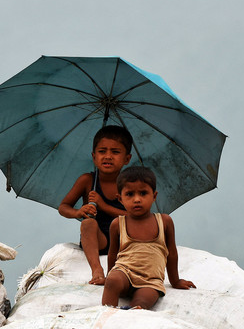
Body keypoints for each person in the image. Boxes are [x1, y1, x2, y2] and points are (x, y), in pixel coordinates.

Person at [101, 165, 195, 309]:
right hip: (124, 272)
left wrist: (175, 281)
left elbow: (172, 254)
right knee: (113, 281)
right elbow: (112, 253)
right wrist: (109, 277)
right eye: (130, 194)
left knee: (142, 302)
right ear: (120, 199)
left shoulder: (164, 221)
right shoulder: (118, 224)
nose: (137, 199)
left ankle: (132, 312)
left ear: (154, 196)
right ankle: (106, 314)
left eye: (143, 193)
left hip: (150, 281)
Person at [58, 125, 134, 285]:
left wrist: (103, 206)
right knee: (88, 224)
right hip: (98, 240)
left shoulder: (130, 185)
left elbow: (135, 216)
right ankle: (97, 271)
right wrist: (78, 212)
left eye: (115, 152)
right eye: (102, 151)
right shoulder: (87, 181)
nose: (108, 156)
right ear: (94, 157)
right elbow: (63, 207)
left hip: (123, 240)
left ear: (127, 159)